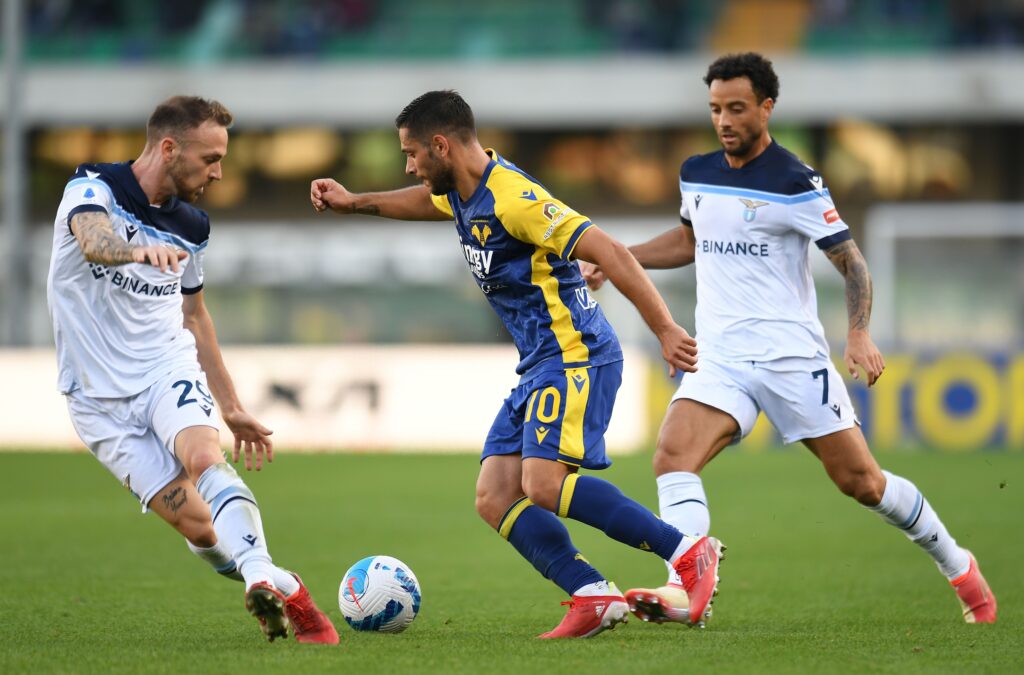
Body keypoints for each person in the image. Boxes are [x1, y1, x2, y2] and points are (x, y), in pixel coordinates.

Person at [581, 52, 997, 626]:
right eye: (714, 109)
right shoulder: (697, 171)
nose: (723, 120)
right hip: (721, 354)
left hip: (790, 357)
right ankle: (689, 584)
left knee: (863, 483)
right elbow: (690, 241)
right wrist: (620, 260)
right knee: (672, 455)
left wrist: (856, 335)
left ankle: (958, 564)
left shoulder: (795, 181)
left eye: (736, 108)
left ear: (766, 108)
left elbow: (851, 264)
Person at [309, 90, 716, 638]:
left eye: (411, 154)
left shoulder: (515, 198)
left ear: (440, 145)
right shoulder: (458, 190)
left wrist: (665, 328)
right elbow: (420, 202)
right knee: (495, 495)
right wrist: (354, 201)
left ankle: (687, 552)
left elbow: (611, 251)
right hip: (540, 362)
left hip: (577, 355)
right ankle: (592, 594)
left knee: (543, 484)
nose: (408, 165)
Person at [47, 95, 339, 644]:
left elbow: (195, 315)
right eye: (209, 159)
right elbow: (91, 239)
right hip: (95, 399)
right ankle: (287, 587)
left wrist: (230, 406)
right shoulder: (92, 188)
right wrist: (136, 253)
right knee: (202, 529)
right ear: (168, 148)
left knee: (204, 457)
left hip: (164, 368)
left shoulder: (192, 227)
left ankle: (261, 581)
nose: (219, 172)